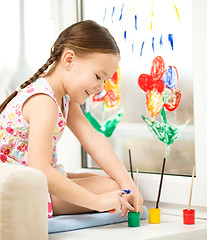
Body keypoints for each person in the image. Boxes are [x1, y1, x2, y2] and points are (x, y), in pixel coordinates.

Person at [0, 20, 143, 218]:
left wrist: (129, 184)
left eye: (105, 80)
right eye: (98, 76)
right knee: (107, 188)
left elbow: (92, 138)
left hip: (30, 180)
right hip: (21, 190)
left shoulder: (62, 98)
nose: (101, 87)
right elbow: (39, 169)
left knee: (113, 184)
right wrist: (96, 201)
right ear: (69, 60)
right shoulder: (44, 101)